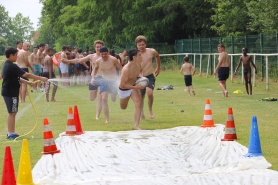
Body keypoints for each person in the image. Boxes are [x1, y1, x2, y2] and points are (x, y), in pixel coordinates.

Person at [2, 47, 48, 140]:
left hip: (9, 91)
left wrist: (28, 83)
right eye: (16, 55)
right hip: (10, 92)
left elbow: (17, 78)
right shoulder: (12, 66)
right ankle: (11, 134)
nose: (17, 57)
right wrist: (40, 78)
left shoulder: (7, 64)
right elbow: (26, 74)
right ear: (11, 55)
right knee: (12, 112)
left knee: (12, 112)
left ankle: (11, 132)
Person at [91, 46, 123, 123]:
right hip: (104, 80)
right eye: (102, 54)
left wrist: (120, 78)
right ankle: (107, 120)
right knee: (104, 98)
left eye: (105, 54)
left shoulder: (113, 59)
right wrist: (93, 78)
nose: (104, 56)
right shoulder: (98, 61)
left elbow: (120, 68)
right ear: (100, 54)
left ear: (108, 53)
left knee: (113, 99)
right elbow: (95, 70)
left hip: (113, 80)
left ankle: (114, 94)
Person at [119, 49, 146, 130]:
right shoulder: (126, 69)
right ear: (134, 57)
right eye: (139, 55)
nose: (141, 56)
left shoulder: (138, 65)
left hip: (133, 86)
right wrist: (136, 87)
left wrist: (142, 78)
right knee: (123, 107)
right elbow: (122, 84)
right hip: (124, 89)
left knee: (138, 102)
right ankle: (136, 125)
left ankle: (136, 126)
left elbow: (140, 72)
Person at [135, 35, 160, 119]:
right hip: (139, 77)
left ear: (145, 44)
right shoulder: (135, 54)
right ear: (137, 45)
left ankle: (150, 110)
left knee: (149, 93)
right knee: (141, 96)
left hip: (149, 76)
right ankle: (141, 111)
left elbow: (157, 56)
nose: (141, 46)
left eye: (142, 44)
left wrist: (158, 68)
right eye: (139, 45)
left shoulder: (151, 51)